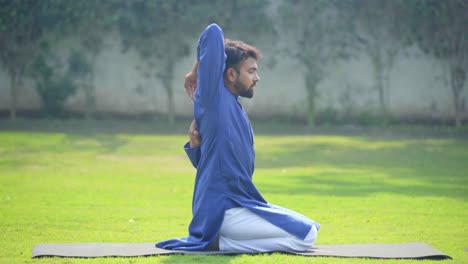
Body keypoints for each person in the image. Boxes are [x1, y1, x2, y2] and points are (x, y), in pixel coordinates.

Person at [156, 23, 320, 252]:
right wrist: (196, 70)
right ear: (231, 74)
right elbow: (212, 32)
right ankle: (218, 243)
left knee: (311, 226)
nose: (257, 77)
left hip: (240, 204)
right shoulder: (213, 98)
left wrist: (197, 149)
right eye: (251, 71)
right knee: (306, 236)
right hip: (223, 211)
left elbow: (214, 166)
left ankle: (218, 242)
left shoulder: (233, 107)